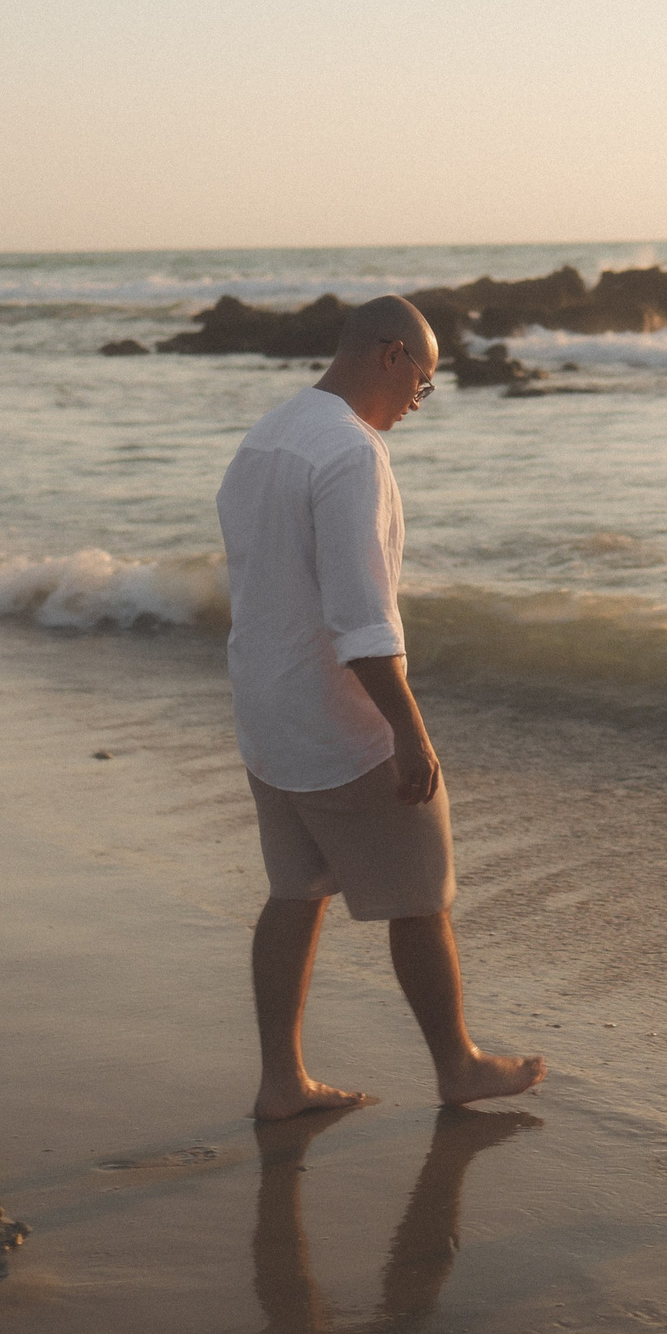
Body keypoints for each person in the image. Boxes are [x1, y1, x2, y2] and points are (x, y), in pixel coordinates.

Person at [216, 295, 544, 1120]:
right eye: (424, 384)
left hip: (266, 712)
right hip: (337, 722)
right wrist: (408, 730)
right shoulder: (350, 454)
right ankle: (459, 1065)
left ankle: (280, 1079)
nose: (418, 404)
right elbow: (361, 616)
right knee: (422, 897)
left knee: (295, 888)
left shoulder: (268, 435)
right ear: (391, 355)